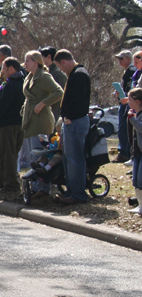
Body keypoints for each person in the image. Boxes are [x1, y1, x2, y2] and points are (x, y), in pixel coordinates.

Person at [54, 49, 91, 205]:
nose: (61, 70)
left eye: (60, 66)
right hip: (72, 121)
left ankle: (78, 194)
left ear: (63, 61)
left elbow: (77, 99)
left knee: (75, 159)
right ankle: (71, 191)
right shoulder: (76, 73)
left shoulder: (79, 74)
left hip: (75, 121)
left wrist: (68, 116)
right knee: (69, 159)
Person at [19, 51, 63, 171]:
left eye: (27, 61)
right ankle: (34, 180)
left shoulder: (44, 76)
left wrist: (43, 103)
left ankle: (40, 181)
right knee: (32, 154)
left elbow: (59, 92)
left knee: (38, 154)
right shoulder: (29, 77)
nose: (25, 64)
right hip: (30, 118)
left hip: (40, 119)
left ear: (36, 62)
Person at [0, 57, 25, 192]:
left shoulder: (12, 85)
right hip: (17, 123)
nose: (2, 71)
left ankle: (11, 184)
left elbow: (2, 106)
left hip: (7, 125)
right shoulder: (21, 82)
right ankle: (1, 181)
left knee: (8, 155)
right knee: (4, 154)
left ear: (11, 68)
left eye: (3, 68)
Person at [114, 50, 135, 163]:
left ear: (128, 58)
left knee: (123, 129)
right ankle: (125, 152)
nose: (119, 61)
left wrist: (123, 95)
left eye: (121, 58)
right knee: (122, 128)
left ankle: (124, 153)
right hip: (124, 102)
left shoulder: (132, 71)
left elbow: (130, 89)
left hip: (127, 104)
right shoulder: (127, 71)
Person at [125, 88, 142, 213]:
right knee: (136, 180)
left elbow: (140, 128)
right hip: (137, 153)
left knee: (141, 179)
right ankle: (140, 206)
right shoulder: (138, 115)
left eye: (130, 100)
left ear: (137, 101)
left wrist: (132, 118)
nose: (128, 102)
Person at [40, 46, 67, 119]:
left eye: (42, 57)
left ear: (49, 57)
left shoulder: (58, 74)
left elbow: (62, 95)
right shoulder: (46, 72)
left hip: (55, 114)